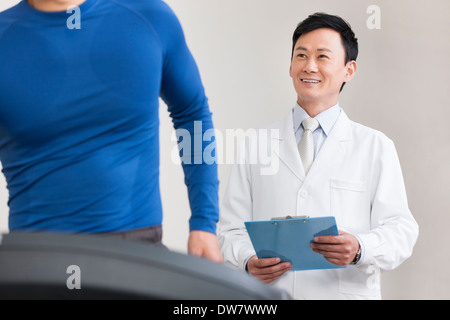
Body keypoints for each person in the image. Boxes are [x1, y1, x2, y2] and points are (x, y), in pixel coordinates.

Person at [0, 0, 223, 263]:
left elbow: (192, 113)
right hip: (35, 259)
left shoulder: (148, 15)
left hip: (134, 254)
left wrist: (204, 223)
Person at [219, 12, 419, 299]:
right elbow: (231, 229)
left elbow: (402, 230)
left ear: (349, 70)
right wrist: (248, 262)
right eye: (301, 55)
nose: (309, 66)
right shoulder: (255, 144)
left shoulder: (375, 146)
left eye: (322, 57)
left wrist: (361, 248)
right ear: (290, 66)